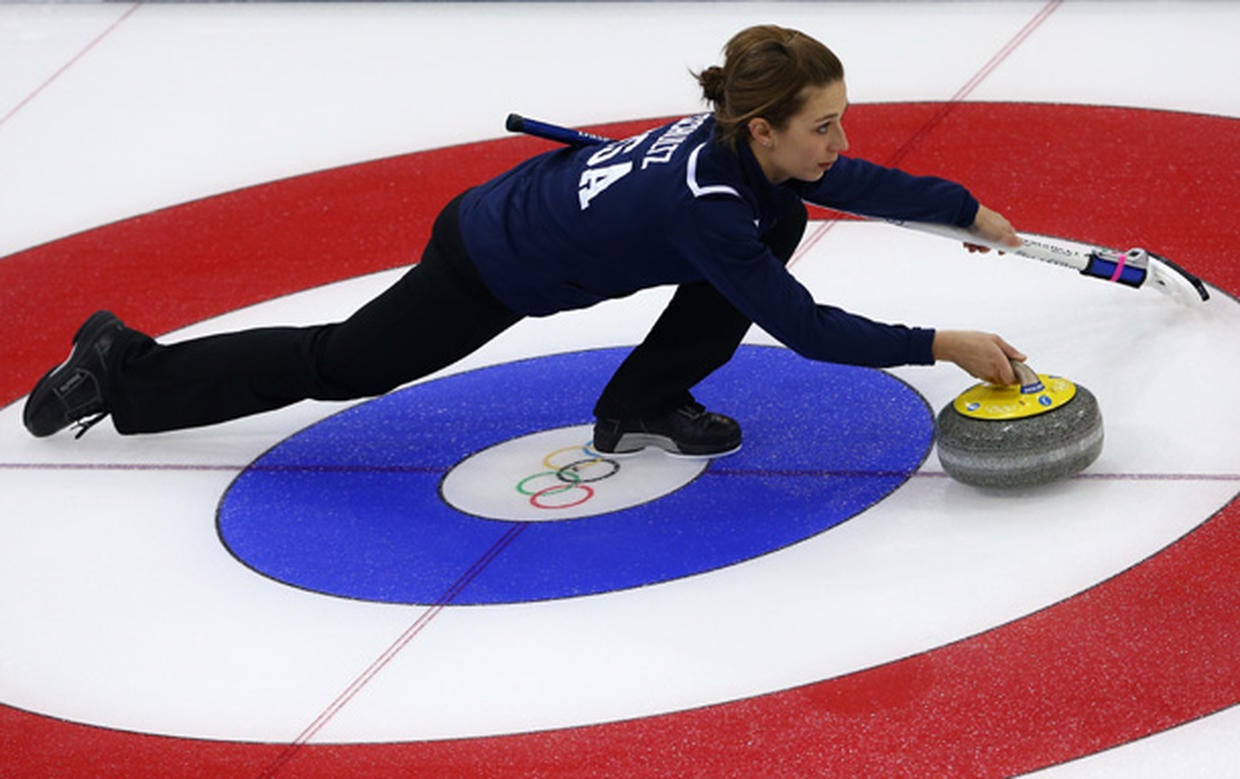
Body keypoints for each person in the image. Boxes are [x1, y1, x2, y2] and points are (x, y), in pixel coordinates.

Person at [23, 24, 1025, 457]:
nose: (839, 142)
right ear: (762, 128)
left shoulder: (745, 157)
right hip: (489, 257)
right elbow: (802, 326)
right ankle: (125, 368)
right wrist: (940, 343)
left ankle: (640, 401)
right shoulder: (710, 205)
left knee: (785, 214)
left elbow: (848, 179)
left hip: (533, 213)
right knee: (347, 364)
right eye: (823, 125)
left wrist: (964, 210)